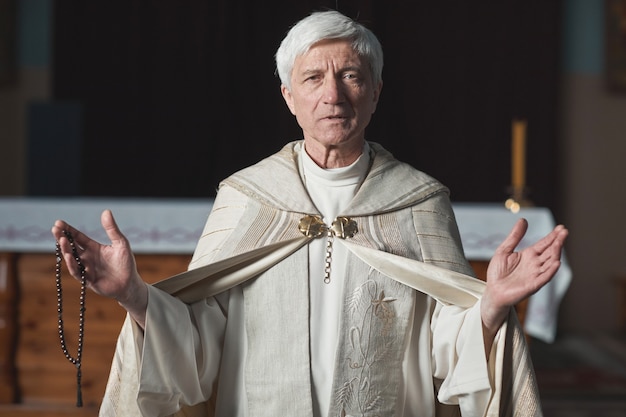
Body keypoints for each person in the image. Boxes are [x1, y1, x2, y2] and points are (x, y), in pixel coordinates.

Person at [52, 10, 568, 417]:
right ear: (288, 97)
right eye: (313, 78)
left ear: (376, 91)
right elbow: (202, 346)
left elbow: (444, 351)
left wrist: (491, 305)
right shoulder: (248, 196)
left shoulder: (419, 200)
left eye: (351, 75)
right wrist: (135, 297)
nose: (333, 95)